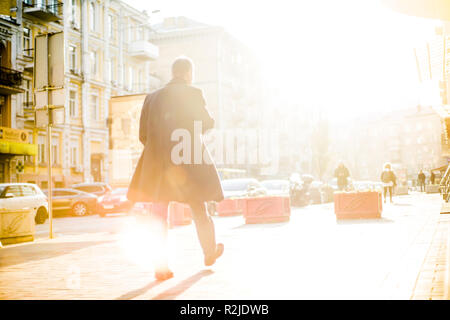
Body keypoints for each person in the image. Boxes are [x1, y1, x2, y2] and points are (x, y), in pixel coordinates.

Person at [127, 56, 225, 281]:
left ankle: (160, 267)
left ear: (173, 73)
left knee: (159, 215)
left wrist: (160, 151)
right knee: (199, 208)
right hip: (189, 161)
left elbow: (143, 134)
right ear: (188, 73)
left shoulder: (151, 98)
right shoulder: (193, 93)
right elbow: (207, 124)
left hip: (159, 166)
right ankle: (209, 253)